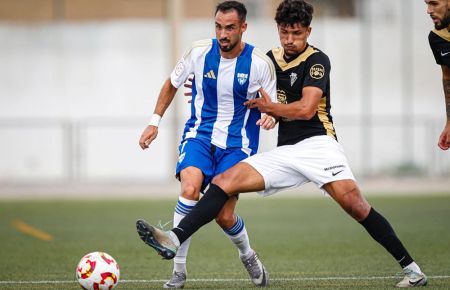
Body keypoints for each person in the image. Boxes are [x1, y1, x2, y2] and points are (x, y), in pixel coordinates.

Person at [136, 0, 428, 288]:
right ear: (278, 30)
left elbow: (305, 110)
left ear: (308, 32)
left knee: (355, 205)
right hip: (286, 151)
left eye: (297, 33)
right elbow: (250, 91)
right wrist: (205, 86)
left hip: (318, 145)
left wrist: (270, 110)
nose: (290, 40)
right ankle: (174, 237)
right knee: (224, 181)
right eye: (284, 32)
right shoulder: (268, 61)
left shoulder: (317, 61)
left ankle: (413, 270)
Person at [137, 1, 276, 288]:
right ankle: (178, 271)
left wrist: (270, 117)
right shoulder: (199, 52)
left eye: (229, 28)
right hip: (199, 135)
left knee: (224, 216)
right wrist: (154, 121)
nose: (222, 34)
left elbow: (273, 105)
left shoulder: (260, 64)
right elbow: (171, 83)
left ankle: (247, 255)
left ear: (243, 28)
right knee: (189, 189)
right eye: (218, 27)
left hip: (238, 146)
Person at [426, 0, 450, 150]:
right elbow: (448, 77)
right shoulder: (437, 38)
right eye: (427, 4)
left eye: (434, 4)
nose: (428, 10)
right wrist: (449, 123)